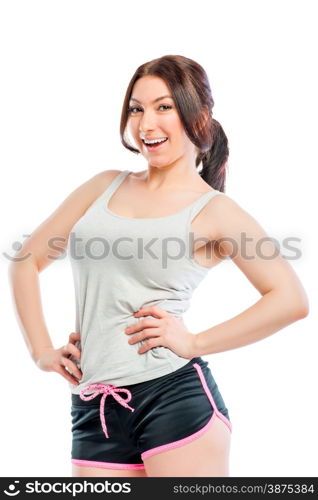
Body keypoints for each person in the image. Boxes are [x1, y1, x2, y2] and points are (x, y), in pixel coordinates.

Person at [9, 54, 309, 478]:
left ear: (198, 116)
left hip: (174, 399)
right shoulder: (103, 186)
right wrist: (40, 350)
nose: (146, 124)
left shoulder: (215, 211)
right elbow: (26, 260)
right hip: (96, 404)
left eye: (163, 107)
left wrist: (195, 342)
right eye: (136, 108)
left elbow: (290, 300)